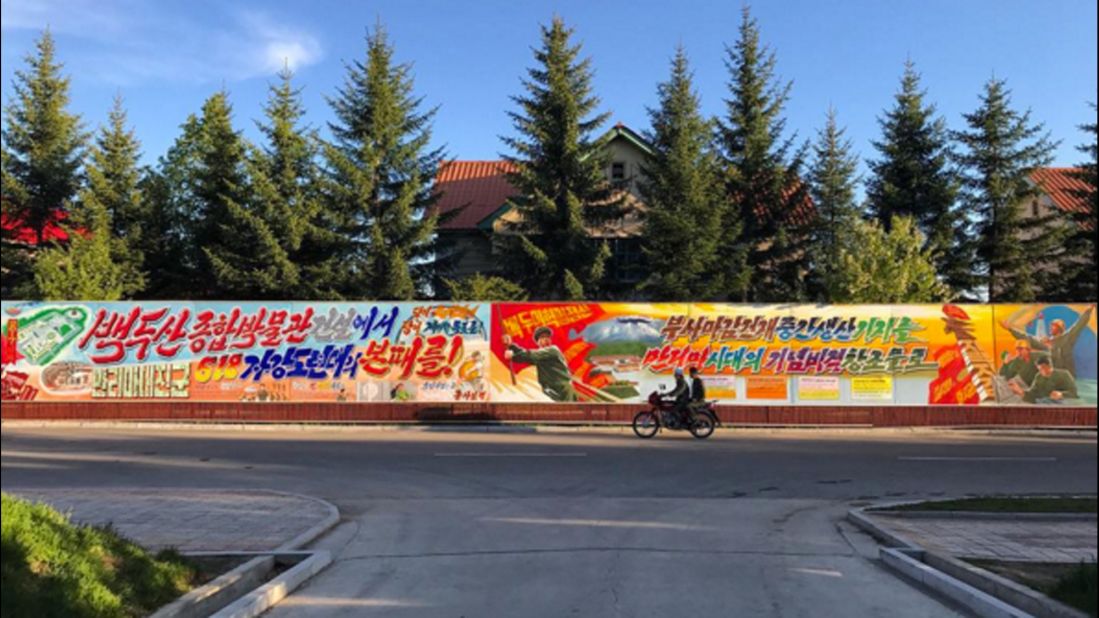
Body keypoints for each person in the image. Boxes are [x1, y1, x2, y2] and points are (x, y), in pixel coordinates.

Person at [1002, 306, 1094, 378]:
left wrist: (1088, 311)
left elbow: (1078, 326)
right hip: (1052, 377)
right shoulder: (1046, 342)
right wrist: (1011, 329)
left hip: (1067, 376)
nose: (1050, 328)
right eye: (1051, 326)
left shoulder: (1068, 338)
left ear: (1059, 328)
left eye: (1053, 326)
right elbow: (1028, 338)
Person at [502, 327, 578, 402]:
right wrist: (511, 346)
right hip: (552, 392)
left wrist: (513, 356)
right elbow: (527, 355)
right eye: (542, 337)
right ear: (538, 342)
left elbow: (530, 355)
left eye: (547, 337)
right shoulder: (540, 357)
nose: (546, 339)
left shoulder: (553, 350)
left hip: (564, 391)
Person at [1010, 357, 1078, 404]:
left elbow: (1074, 393)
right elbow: (1033, 394)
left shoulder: (1064, 374)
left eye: (1043, 368)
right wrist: (1021, 392)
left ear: (1049, 366)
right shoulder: (1039, 377)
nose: (1041, 371)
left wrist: (1061, 394)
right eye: (1039, 369)